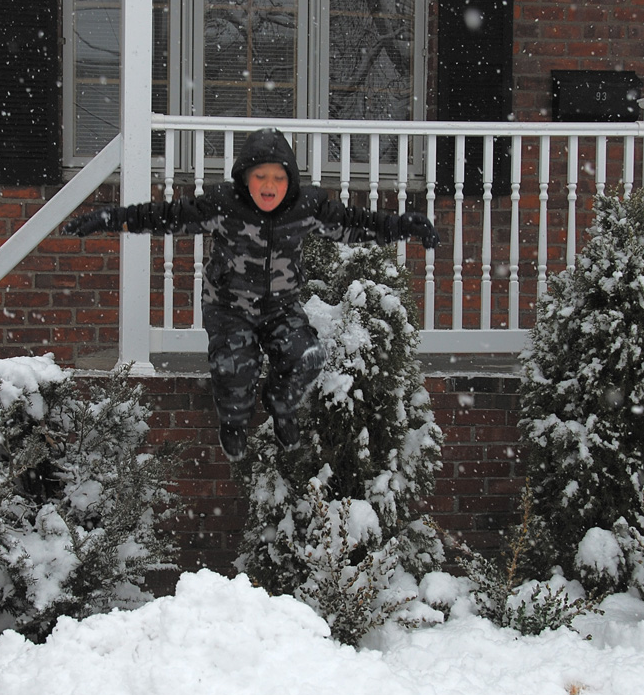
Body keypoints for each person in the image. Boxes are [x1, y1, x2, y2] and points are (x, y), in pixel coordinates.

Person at [62, 128, 440, 462]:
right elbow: (164, 215)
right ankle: (235, 421)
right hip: (228, 308)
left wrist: (401, 224)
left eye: (278, 177)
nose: (269, 185)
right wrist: (110, 218)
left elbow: (356, 224)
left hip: (280, 307)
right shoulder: (223, 205)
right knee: (234, 370)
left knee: (306, 356)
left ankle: (281, 405)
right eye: (261, 176)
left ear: (290, 179)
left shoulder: (307, 207)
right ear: (245, 177)